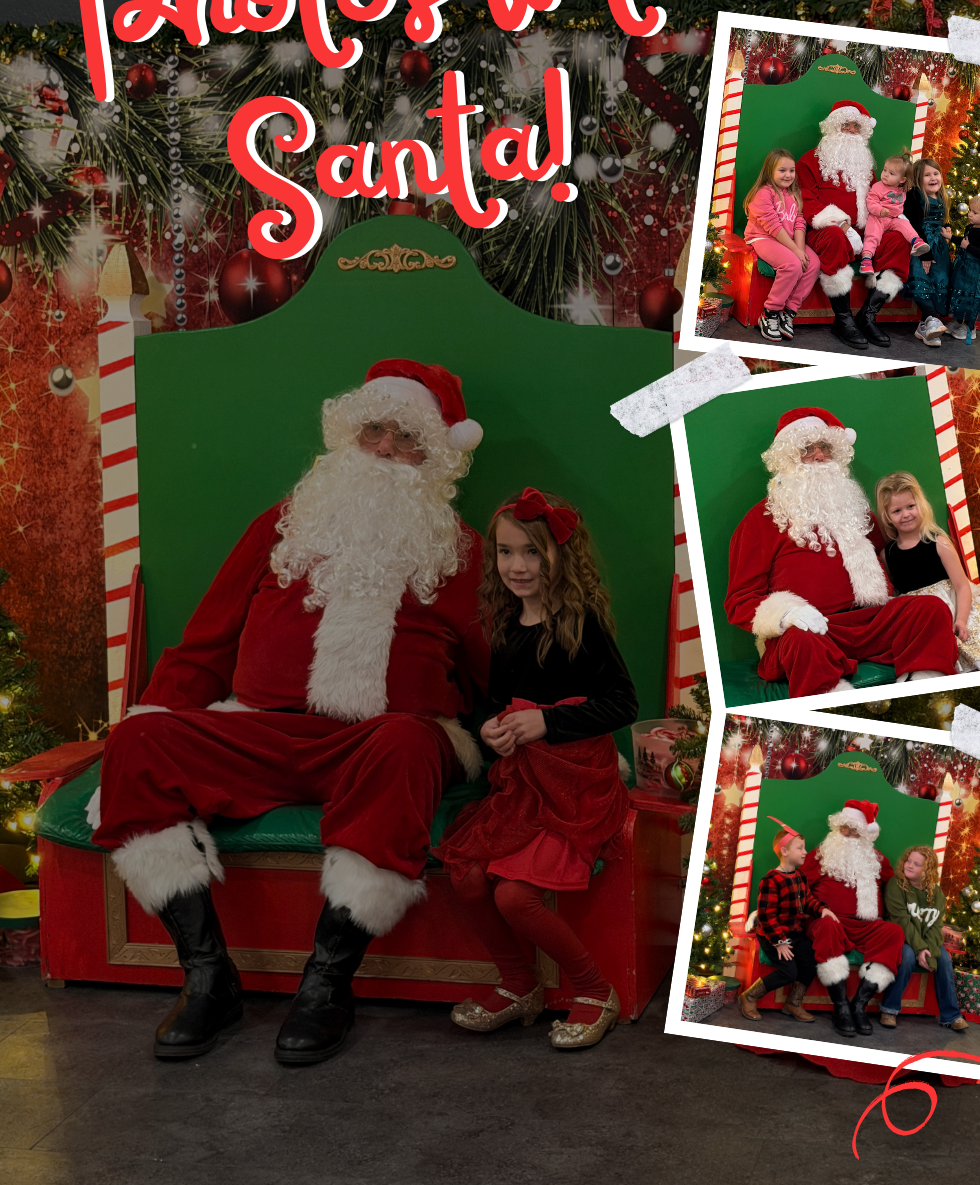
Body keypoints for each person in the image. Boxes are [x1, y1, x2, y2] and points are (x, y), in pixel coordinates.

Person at [90, 359, 490, 1065]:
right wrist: (154, 714)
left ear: (434, 456)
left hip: (379, 744)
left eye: (406, 437)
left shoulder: (457, 549)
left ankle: (327, 983)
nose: (386, 449)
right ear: (348, 437)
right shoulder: (285, 524)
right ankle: (209, 977)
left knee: (405, 743)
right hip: (258, 728)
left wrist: (541, 733)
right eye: (374, 431)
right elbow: (207, 642)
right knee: (139, 741)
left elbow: (495, 666)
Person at [437, 488, 637, 1050]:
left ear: (558, 555)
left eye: (531, 552)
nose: (517, 566)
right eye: (505, 553)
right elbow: (500, 703)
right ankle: (520, 984)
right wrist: (492, 731)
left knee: (513, 896)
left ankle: (595, 991)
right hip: (524, 779)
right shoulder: (501, 626)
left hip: (574, 782)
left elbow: (623, 704)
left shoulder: (582, 622)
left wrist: (547, 722)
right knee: (468, 876)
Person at [725, 407, 958, 698]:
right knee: (801, 641)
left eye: (825, 447)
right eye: (807, 449)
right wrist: (788, 613)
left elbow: (895, 553)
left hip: (868, 622)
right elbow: (739, 602)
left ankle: (924, 684)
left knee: (930, 608)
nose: (820, 456)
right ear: (788, 458)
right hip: (811, 633)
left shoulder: (854, 511)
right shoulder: (758, 521)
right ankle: (836, 704)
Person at [875, 471, 980, 673]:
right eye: (897, 511)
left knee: (979, 650)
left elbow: (962, 587)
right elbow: (896, 593)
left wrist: (960, 620)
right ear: (887, 516)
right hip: (921, 618)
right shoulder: (887, 555)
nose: (906, 514)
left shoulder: (939, 543)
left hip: (954, 609)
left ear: (920, 505)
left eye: (910, 506)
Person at [796, 100, 912, 350]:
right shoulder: (809, 161)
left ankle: (868, 316)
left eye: (855, 126)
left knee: (898, 241)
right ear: (833, 128)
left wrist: (890, 218)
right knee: (835, 238)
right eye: (845, 125)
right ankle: (843, 320)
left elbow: (875, 200)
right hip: (826, 231)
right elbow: (806, 200)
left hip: (864, 230)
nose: (850, 130)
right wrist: (842, 225)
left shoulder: (866, 165)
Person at [803, 800, 907, 1037]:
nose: (847, 834)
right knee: (827, 926)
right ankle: (840, 1006)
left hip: (866, 926)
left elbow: (898, 890)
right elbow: (798, 886)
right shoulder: (822, 855)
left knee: (893, 932)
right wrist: (819, 909)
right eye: (844, 828)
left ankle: (858, 1006)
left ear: (864, 834)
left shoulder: (877, 859)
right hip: (830, 922)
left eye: (854, 830)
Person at [739, 816, 840, 1024]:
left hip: (794, 934)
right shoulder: (771, 880)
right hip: (772, 935)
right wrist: (779, 942)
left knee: (811, 960)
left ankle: (793, 1003)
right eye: (800, 848)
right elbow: (766, 915)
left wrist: (821, 910)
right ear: (785, 852)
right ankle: (749, 996)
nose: (805, 852)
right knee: (788, 971)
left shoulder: (800, 876)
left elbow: (808, 899)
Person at [879, 845, 969, 1032]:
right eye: (908, 861)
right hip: (899, 936)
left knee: (944, 959)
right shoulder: (896, 885)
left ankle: (951, 1015)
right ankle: (889, 1009)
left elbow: (936, 927)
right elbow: (902, 922)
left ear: (927, 870)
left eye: (916, 864)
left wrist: (930, 952)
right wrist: (921, 950)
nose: (909, 865)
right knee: (907, 955)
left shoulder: (937, 894)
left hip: (925, 939)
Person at [742, 147, 821, 342]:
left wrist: (801, 250)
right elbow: (773, 227)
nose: (788, 175)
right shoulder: (764, 193)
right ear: (770, 171)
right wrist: (795, 252)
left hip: (789, 241)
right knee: (792, 264)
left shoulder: (795, 195)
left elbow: (800, 222)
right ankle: (769, 313)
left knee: (813, 264)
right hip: (764, 238)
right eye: (782, 170)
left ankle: (789, 312)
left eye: (791, 170)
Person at [903, 158, 955, 347]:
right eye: (927, 175)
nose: (933, 178)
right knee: (921, 277)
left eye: (936, 174)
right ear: (918, 178)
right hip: (921, 245)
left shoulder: (942, 197)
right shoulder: (915, 195)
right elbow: (914, 224)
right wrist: (924, 253)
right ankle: (931, 320)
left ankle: (924, 326)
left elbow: (943, 219)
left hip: (939, 248)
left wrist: (947, 228)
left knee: (936, 280)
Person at [858, 156, 932, 278]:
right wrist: (880, 210)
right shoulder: (878, 186)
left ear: (902, 180)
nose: (885, 174)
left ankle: (916, 241)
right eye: (885, 170)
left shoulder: (902, 189)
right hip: (878, 218)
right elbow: (870, 201)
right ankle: (866, 260)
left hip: (894, 219)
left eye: (891, 173)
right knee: (872, 235)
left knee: (905, 225)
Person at [945, 193, 980, 344]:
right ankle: (957, 321)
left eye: (975, 213)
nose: (970, 214)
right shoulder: (971, 226)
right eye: (970, 210)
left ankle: (970, 328)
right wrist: (950, 237)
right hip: (964, 267)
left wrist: (968, 247)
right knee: (960, 293)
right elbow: (963, 241)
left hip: (976, 270)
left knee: (972, 296)